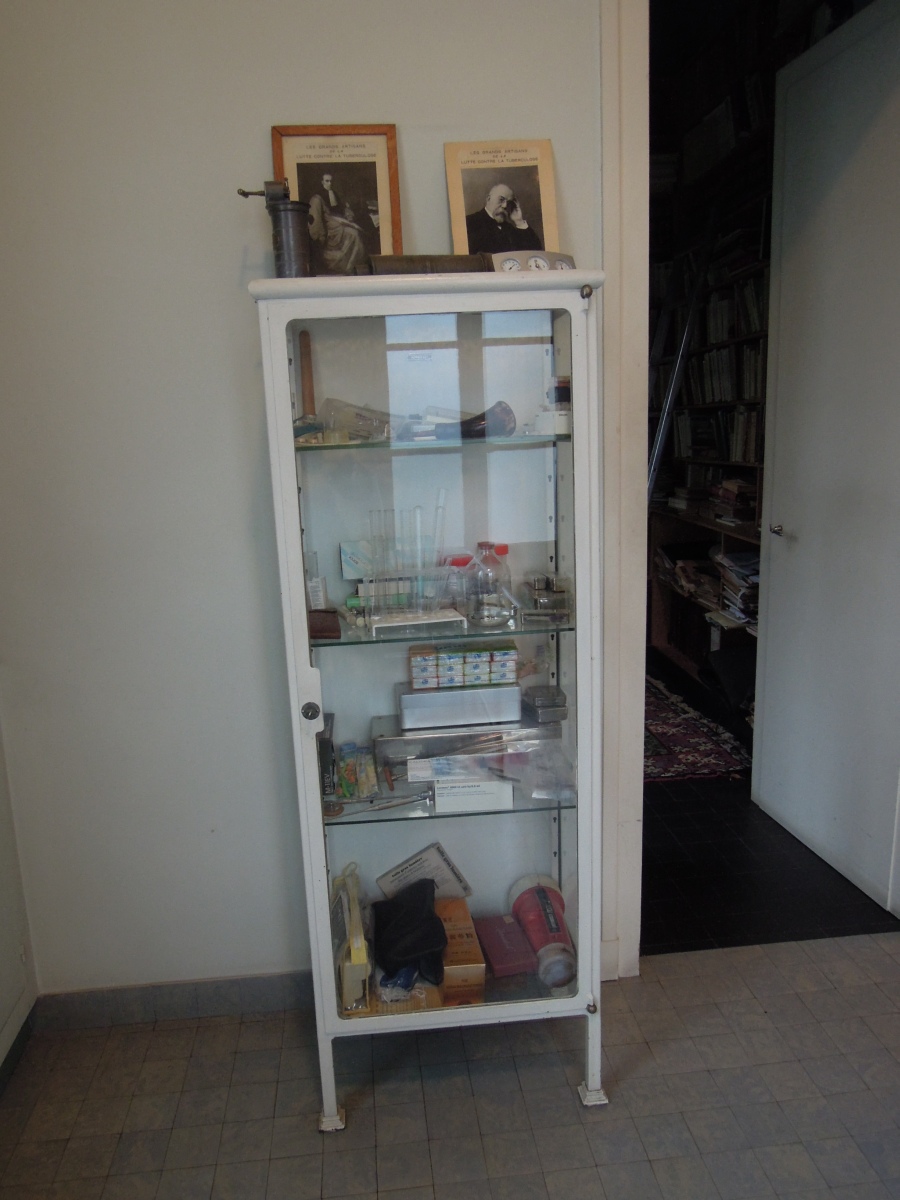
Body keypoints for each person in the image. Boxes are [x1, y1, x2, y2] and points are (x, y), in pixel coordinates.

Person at [308, 173, 368, 274]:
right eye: (327, 181)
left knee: (357, 232)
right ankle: (347, 267)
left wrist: (348, 215)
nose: (329, 183)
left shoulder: (334, 194)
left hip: (339, 222)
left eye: (331, 181)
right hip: (329, 227)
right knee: (353, 234)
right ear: (322, 182)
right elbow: (316, 219)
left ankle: (353, 266)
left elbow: (342, 209)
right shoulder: (317, 198)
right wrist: (321, 236)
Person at [465, 183, 543, 254]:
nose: (505, 206)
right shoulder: (469, 222)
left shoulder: (510, 229)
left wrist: (519, 221)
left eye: (509, 203)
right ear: (488, 199)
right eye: (501, 200)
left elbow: (536, 253)